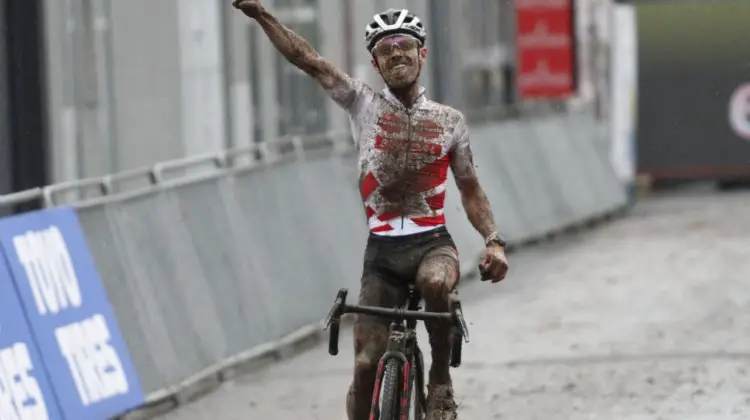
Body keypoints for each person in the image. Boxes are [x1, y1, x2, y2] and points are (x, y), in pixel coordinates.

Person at [232, 2, 510, 419]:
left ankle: (439, 383)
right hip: (382, 254)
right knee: (364, 368)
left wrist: (493, 242)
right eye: (386, 49)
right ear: (375, 64)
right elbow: (307, 60)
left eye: (404, 45)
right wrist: (261, 15)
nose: (396, 53)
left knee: (436, 284)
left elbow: (470, 190)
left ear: (422, 54)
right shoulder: (363, 105)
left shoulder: (450, 121)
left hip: (433, 243)